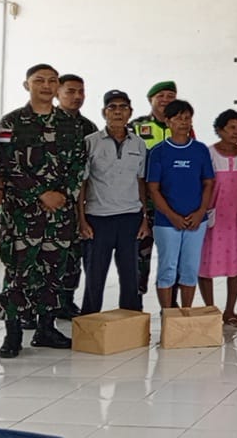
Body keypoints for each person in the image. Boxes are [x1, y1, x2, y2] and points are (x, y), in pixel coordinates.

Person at [0, 64, 89, 358]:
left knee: (54, 271)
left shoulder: (71, 124)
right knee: (18, 272)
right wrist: (40, 194)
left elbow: (79, 165)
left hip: (59, 214)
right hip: (23, 215)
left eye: (52, 81)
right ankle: (13, 333)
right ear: (27, 85)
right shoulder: (12, 122)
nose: (46, 86)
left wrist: (63, 195)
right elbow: (6, 165)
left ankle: (46, 328)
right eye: (39, 81)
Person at [78, 90, 148, 315]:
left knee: (130, 275)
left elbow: (141, 182)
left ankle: (132, 321)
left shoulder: (139, 144)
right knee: (95, 275)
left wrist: (144, 218)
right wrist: (82, 220)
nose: (118, 112)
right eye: (112, 107)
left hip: (130, 217)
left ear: (130, 112)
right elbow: (82, 184)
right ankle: (89, 320)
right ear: (104, 112)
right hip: (98, 219)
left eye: (123, 107)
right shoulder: (90, 142)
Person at [147, 100, 214, 309]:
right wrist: (172, 215)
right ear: (167, 122)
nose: (183, 122)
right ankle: (167, 314)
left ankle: (186, 314)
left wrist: (201, 212)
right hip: (167, 222)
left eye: (187, 118)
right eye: (178, 118)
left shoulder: (200, 150)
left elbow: (208, 183)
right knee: (167, 268)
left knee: (190, 268)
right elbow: (153, 189)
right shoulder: (158, 152)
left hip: (197, 220)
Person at [197, 109, 237, 325]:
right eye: (232, 127)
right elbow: (201, 186)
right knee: (205, 265)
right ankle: (210, 309)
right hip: (213, 219)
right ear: (220, 130)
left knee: (236, 265)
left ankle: (230, 310)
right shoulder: (208, 154)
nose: (236, 132)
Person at [129, 80, 179, 301]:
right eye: (161, 96)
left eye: (171, 96)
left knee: (172, 257)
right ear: (151, 99)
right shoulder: (136, 126)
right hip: (143, 203)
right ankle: (135, 304)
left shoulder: (181, 126)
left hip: (172, 203)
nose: (165, 100)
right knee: (140, 256)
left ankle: (171, 305)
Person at [54, 74, 97, 319]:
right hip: (47, 204)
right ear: (58, 93)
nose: (77, 96)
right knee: (42, 258)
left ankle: (66, 300)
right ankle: (30, 309)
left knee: (73, 254)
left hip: (77, 204)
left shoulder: (88, 128)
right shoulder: (48, 122)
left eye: (81, 91)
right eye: (70, 91)